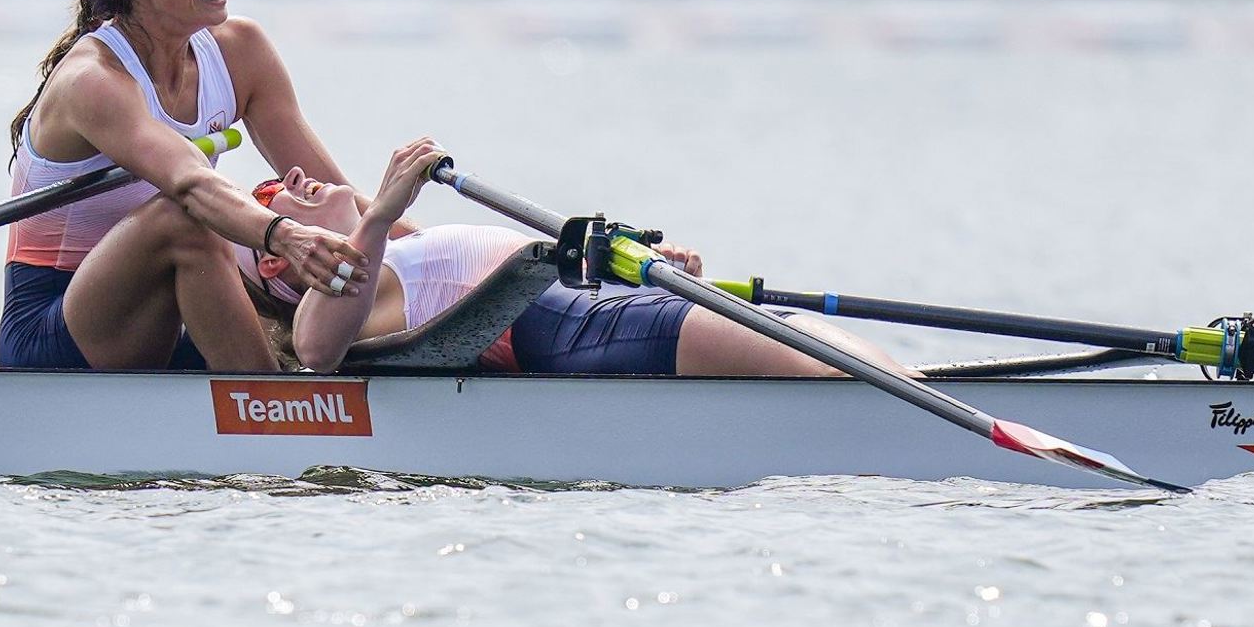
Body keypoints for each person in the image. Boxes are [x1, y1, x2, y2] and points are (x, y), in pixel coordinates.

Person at [0, 0, 367, 371]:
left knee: (326, 219)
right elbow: (190, 184)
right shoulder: (93, 80)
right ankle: (275, 409)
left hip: (167, 307)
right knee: (189, 218)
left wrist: (450, 250)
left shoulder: (242, 52)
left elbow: (341, 196)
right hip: (56, 329)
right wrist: (284, 235)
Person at [242, 138, 912, 378]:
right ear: (276, 264)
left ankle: (913, 392)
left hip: (591, 308)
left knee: (807, 352)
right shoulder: (342, 286)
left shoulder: (374, 259)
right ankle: (918, 406)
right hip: (570, 331)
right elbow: (317, 352)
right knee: (809, 356)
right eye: (275, 194)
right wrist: (380, 214)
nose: (295, 175)